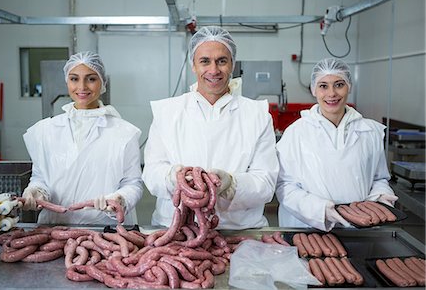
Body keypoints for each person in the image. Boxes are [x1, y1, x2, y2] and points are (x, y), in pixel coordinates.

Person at [142, 26, 279, 230]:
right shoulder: (167, 112)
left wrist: (231, 184)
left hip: (239, 230)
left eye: (221, 61)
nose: (213, 70)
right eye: (204, 61)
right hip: (174, 229)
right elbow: (151, 172)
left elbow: (266, 181)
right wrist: (173, 178)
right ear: (193, 66)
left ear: (232, 64)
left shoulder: (257, 115)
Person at [21, 51, 143, 225]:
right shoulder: (46, 131)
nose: (82, 86)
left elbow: (133, 183)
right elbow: (40, 176)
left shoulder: (124, 133)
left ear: (102, 82)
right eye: (74, 79)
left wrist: (120, 198)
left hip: (105, 230)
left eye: (91, 79)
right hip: (54, 228)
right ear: (66, 81)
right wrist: (36, 190)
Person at [276, 58, 397, 231]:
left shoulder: (369, 131)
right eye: (323, 86)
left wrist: (380, 197)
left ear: (349, 86)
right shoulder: (296, 133)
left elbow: (379, 178)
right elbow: (284, 186)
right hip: (308, 228)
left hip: (361, 228)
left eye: (339, 85)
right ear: (313, 89)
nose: (331, 93)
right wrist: (320, 210)